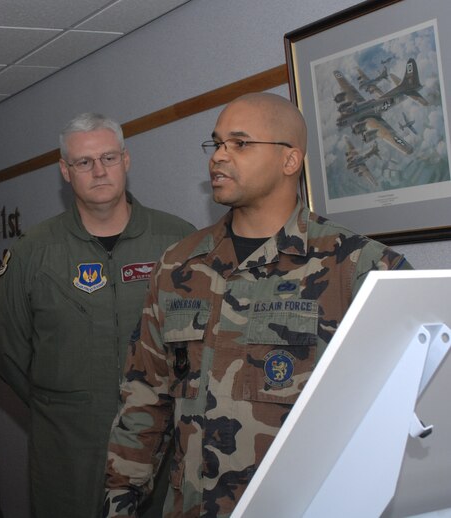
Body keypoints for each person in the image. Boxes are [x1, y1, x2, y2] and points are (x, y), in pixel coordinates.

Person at [102, 93, 411, 517]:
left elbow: (405, 416)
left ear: (290, 161)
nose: (218, 157)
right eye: (216, 143)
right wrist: (119, 503)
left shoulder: (361, 268)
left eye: (240, 143)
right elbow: (145, 399)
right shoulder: (178, 266)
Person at [0, 112, 196, 518]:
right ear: (65, 171)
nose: (99, 171)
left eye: (109, 158)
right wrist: (62, 405)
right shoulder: (35, 251)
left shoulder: (177, 240)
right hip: (68, 452)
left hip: (160, 446)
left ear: (126, 161)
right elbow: (8, 352)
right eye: (84, 162)